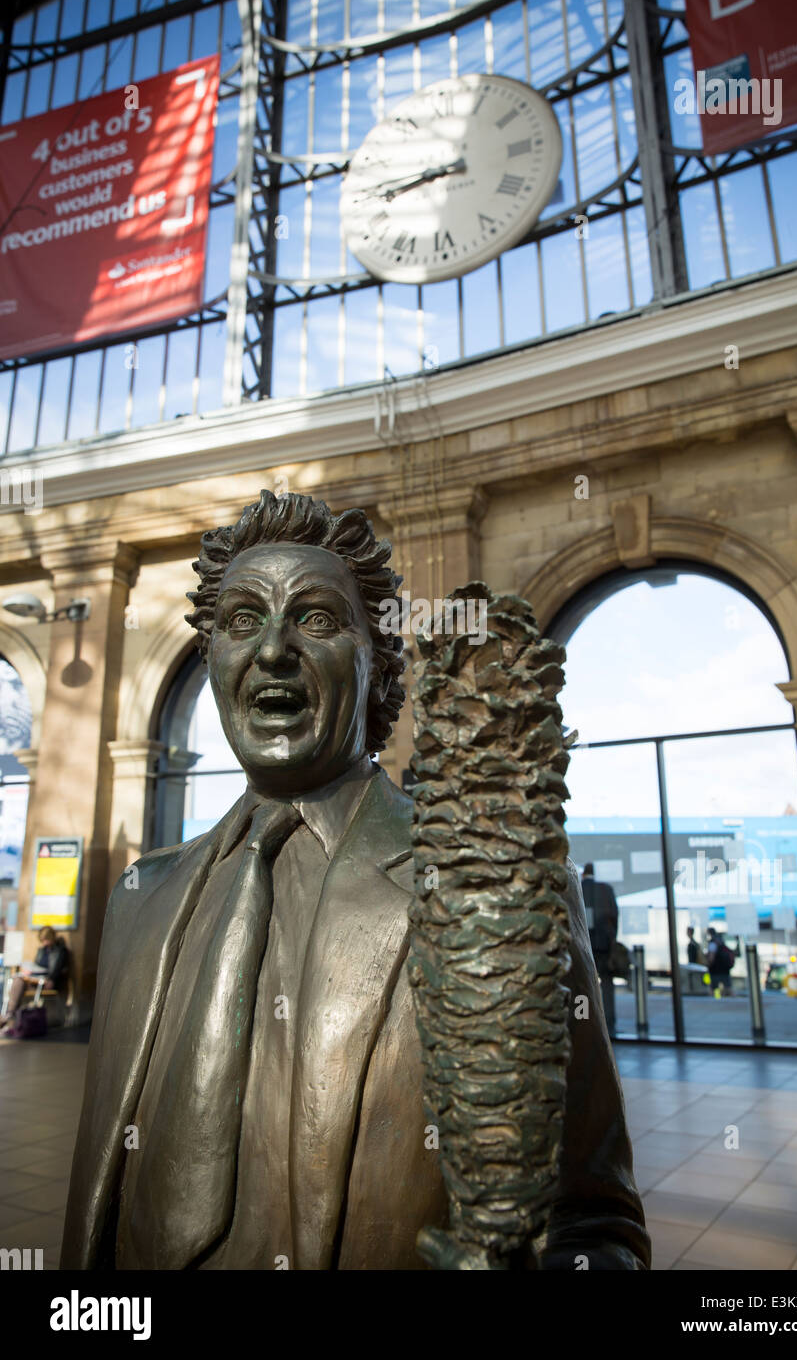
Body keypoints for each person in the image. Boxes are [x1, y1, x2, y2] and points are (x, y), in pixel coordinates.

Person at [62, 490, 649, 1272]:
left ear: (378, 667)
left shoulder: (487, 880)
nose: (272, 650)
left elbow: (598, 1230)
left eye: (315, 619)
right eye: (241, 622)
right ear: (212, 662)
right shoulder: (142, 898)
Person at [0, 925, 68, 1031]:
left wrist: (51, 980)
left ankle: (11, 1015)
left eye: (46, 940)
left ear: (51, 938)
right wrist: (29, 972)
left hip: (48, 982)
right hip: (36, 979)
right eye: (42, 940)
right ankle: (10, 1014)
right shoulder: (41, 951)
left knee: (19, 985)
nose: (44, 942)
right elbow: (36, 965)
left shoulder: (60, 951)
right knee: (18, 980)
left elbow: (57, 969)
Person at [581, 861, 619, 1038]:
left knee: (584, 985)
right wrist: (611, 941)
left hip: (583, 947)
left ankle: (583, 1020)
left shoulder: (577, 888)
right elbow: (614, 917)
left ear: (583, 873)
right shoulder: (606, 889)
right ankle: (609, 1023)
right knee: (607, 984)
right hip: (604, 945)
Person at [706, 927, 734, 997]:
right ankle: (731, 999)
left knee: (715, 988)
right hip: (725, 969)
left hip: (715, 970)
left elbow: (711, 958)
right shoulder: (720, 941)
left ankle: (718, 999)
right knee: (728, 987)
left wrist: (708, 965)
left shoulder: (712, 943)